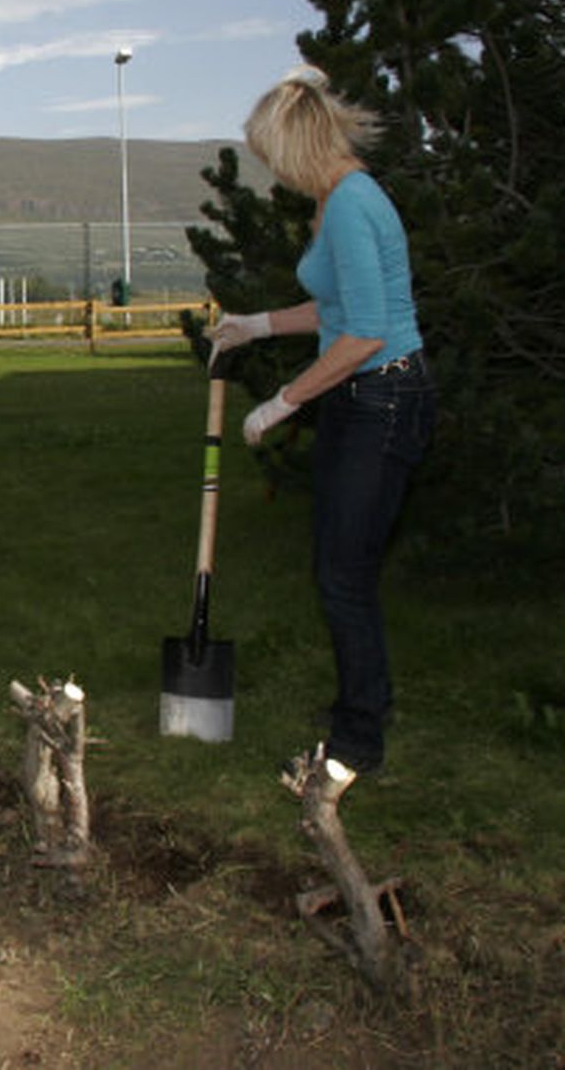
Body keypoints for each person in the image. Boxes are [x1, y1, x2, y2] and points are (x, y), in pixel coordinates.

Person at [208, 67, 435, 782]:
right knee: (342, 570)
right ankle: (362, 708)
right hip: (364, 396)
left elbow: (365, 332)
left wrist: (284, 400)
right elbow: (336, 311)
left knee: (343, 575)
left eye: (274, 158)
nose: (275, 174)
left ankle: (357, 742)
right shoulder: (341, 198)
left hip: (384, 399)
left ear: (299, 145)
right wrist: (259, 325)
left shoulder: (349, 204)